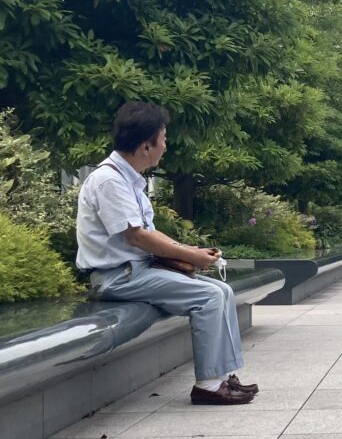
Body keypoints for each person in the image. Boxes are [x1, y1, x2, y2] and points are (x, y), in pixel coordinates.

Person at [75, 101, 258, 405]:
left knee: (222, 291)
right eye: (163, 140)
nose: (166, 146)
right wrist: (193, 256)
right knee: (209, 297)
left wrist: (191, 251)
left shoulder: (128, 179)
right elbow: (137, 237)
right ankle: (208, 386)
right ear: (146, 145)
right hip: (117, 278)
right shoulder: (108, 180)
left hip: (136, 272)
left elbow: (146, 231)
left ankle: (222, 376)